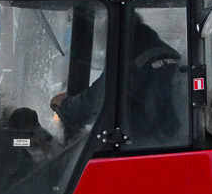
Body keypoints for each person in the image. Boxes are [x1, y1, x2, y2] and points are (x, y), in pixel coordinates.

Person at [50, 14, 184, 147]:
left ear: (113, 32)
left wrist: (65, 105)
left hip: (141, 147)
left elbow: (97, 99)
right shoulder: (166, 52)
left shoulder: (129, 57)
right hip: (172, 142)